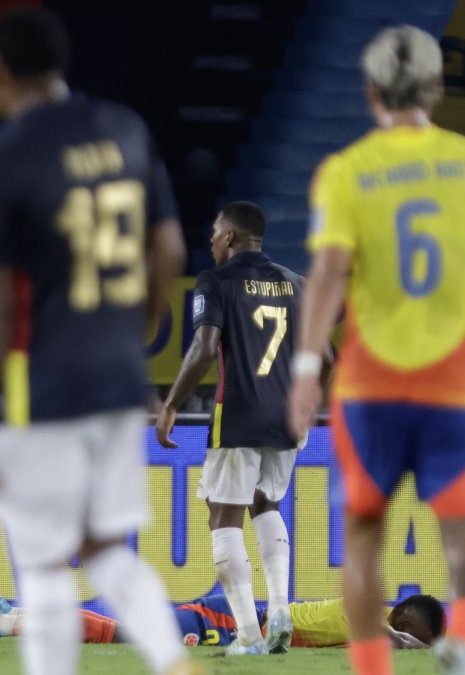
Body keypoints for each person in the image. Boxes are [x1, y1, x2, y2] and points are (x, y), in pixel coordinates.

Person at [0, 8, 199, 675]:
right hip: (118, 380)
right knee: (103, 548)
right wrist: (128, 334)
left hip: (45, 388)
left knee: (40, 563)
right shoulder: (123, 128)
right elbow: (170, 246)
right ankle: (174, 661)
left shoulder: (1, 162)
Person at [288, 25, 465, 675]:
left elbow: (328, 276)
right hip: (450, 384)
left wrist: (307, 367)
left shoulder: (344, 172)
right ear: (437, 87)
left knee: (364, 542)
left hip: (371, 387)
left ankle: (373, 667)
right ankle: (463, 640)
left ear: (369, 92)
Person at [155, 201, 307, 655]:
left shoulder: (216, 281)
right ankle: (279, 608)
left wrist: (170, 404)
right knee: (267, 505)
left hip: (239, 414)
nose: (211, 241)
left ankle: (248, 634)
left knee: (224, 517)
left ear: (232, 238)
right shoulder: (297, 284)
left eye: (215, 233)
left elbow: (204, 349)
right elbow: (329, 358)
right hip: (286, 416)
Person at [0, 592, 445, 650]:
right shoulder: (362, 612)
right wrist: (412, 644)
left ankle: (10, 611)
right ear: (401, 616)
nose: (410, 646)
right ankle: (3, 623)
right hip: (225, 619)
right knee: (115, 634)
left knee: (117, 630)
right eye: (412, 632)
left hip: (232, 617)